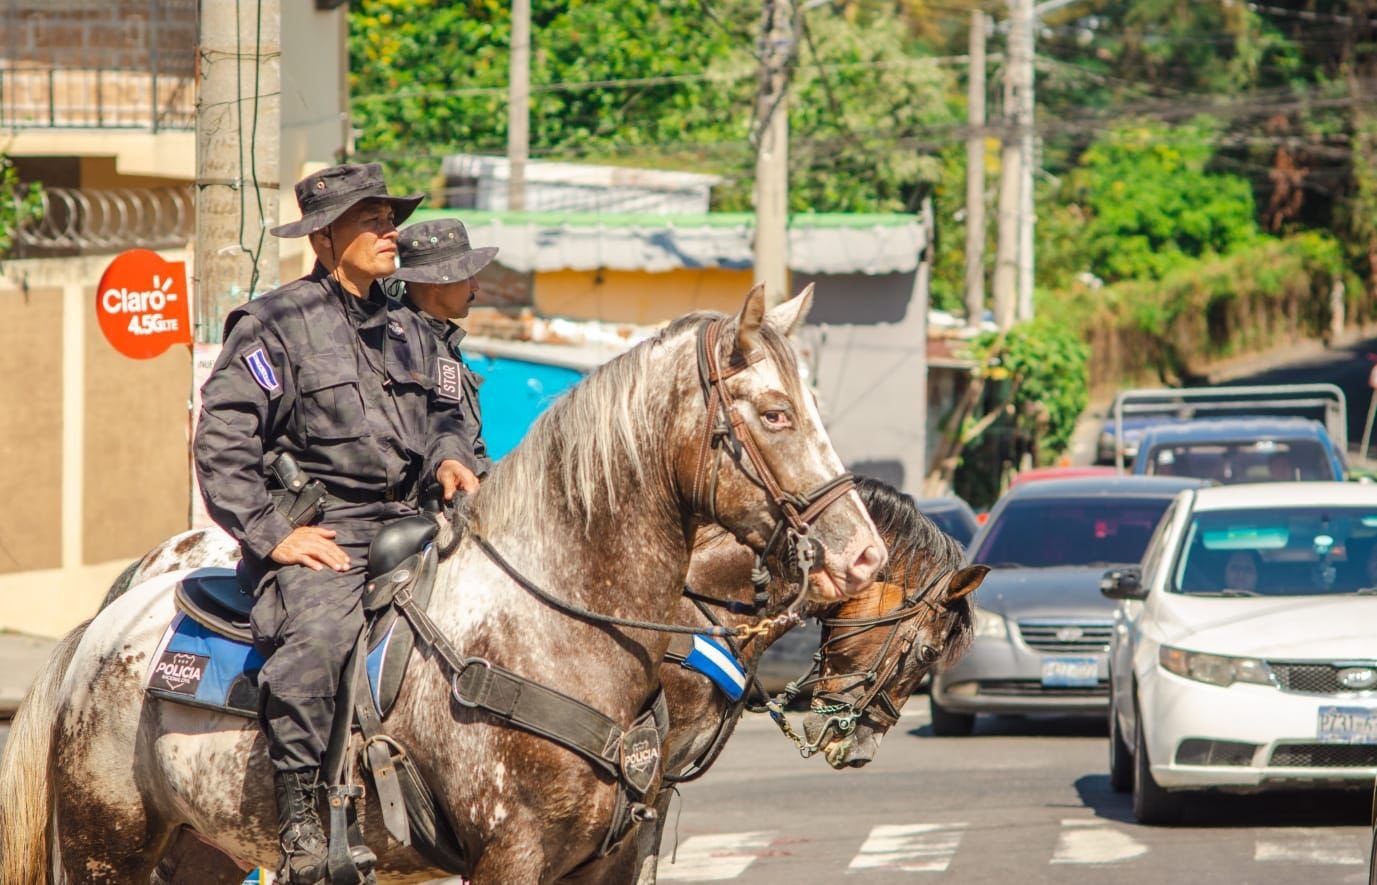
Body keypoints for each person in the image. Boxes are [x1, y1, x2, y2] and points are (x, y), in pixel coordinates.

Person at [193, 163, 481, 883]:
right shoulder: (273, 325)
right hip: (328, 536)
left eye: (391, 218)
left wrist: (449, 457)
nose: (391, 231)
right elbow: (222, 442)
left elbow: (449, 417)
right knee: (318, 640)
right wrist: (272, 533)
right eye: (372, 220)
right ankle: (301, 820)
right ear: (325, 237)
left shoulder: (415, 331)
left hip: (415, 524)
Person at [386, 218, 499, 480]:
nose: (475, 286)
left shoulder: (440, 338)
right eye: (467, 276)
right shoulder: (402, 344)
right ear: (436, 282)